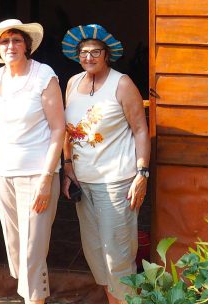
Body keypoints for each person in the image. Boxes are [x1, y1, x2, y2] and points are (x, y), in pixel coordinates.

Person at [61, 24, 149, 304]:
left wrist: (142, 173)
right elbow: (67, 129)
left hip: (116, 182)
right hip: (82, 181)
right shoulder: (73, 83)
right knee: (96, 252)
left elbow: (140, 130)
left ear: (107, 54)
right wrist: (67, 166)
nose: (89, 57)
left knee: (118, 255)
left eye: (95, 51)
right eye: (83, 52)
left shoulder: (121, 83)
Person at [0, 19, 65, 304]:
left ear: (26, 45)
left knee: (32, 249)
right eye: (4, 41)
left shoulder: (44, 75)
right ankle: (30, 296)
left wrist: (46, 177)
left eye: (16, 40)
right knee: (16, 248)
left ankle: (35, 300)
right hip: (3, 173)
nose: (10, 46)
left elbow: (58, 129)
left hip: (36, 173)